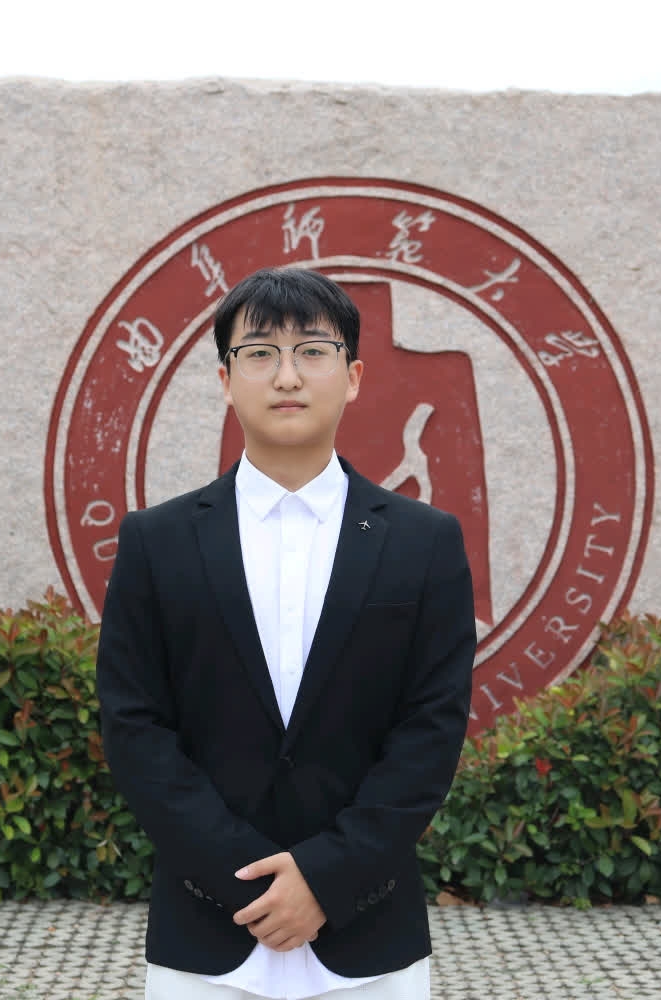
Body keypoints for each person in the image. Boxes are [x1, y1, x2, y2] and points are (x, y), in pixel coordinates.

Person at [97, 266, 476, 1000]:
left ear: (354, 376)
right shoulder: (157, 541)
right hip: (206, 935)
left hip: (369, 940)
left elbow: (431, 729)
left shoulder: (424, 542)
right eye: (260, 353)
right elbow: (134, 725)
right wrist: (246, 882)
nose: (287, 376)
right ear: (225, 379)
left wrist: (328, 879)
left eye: (312, 351)